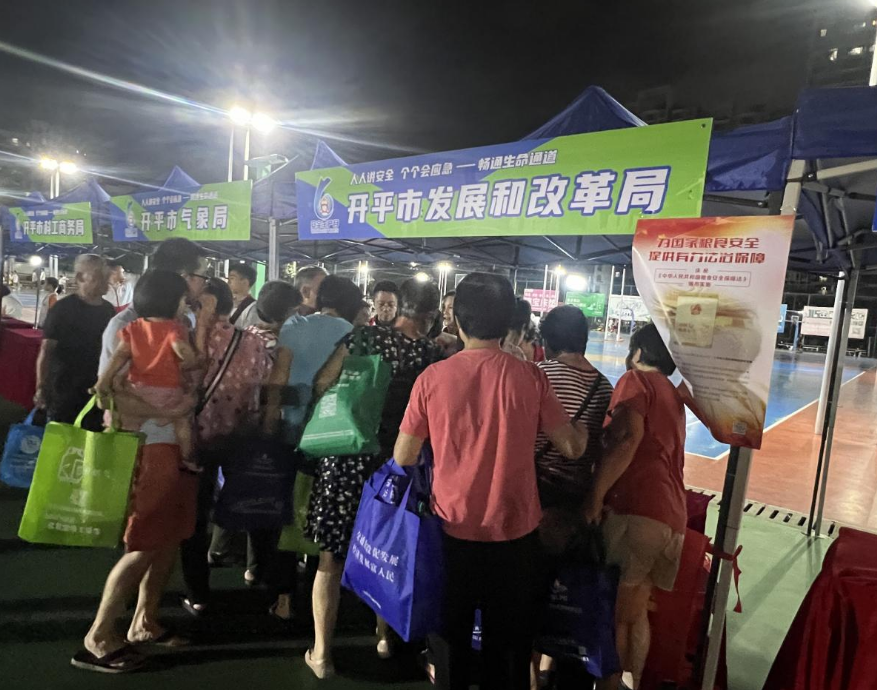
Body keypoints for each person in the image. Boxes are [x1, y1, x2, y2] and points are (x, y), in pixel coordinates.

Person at [394, 273, 588, 690]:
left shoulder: (432, 378)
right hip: (515, 533)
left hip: (452, 531)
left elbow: (403, 457)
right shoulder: (531, 377)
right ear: (507, 323)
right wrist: (586, 431)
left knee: (451, 642)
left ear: (457, 321)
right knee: (510, 648)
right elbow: (572, 446)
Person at [73, 239, 209, 674]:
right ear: (176, 278)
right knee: (144, 540)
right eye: (198, 275)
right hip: (147, 446)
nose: (201, 284)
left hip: (174, 445)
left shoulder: (179, 322)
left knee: (169, 536)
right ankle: (98, 635)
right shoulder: (125, 326)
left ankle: (144, 622)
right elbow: (108, 395)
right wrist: (171, 412)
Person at [302, 278, 444, 678]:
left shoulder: (363, 337)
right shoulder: (430, 354)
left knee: (331, 557)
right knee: (386, 550)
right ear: (431, 315)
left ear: (399, 304)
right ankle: (384, 636)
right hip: (394, 464)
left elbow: (322, 382)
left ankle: (322, 653)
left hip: (347, 456)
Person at [584, 324, 686, 690]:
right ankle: (633, 681)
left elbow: (627, 438)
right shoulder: (672, 394)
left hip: (637, 509)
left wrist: (595, 497)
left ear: (639, 352)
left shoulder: (635, 381)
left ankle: (609, 684)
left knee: (614, 613)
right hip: (670, 516)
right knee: (636, 610)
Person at [179, 279, 277, 614]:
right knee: (253, 506)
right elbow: (263, 384)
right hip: (242, 435)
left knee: (195, 518)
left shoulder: (189, 342)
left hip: (196, 438)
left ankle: (198, 591)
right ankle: (258, 574)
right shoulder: (252, 340)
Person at [95, 271, 200, 468]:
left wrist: (104, 381)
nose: (185, 305)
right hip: (166, 398)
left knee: (129, 431)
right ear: (171, 301)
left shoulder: (132, 327)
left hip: (138, 390)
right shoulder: (174, 329)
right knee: (182, 421)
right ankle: (188, 459)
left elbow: (119, 356)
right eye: (183, 299)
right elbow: (182, 351)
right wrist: (192, 360)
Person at [536, 306, 613, 508]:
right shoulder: (605, 387)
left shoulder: (539, 375)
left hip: (537, 489)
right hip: (578, 494)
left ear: (547, 342)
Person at [278, 275, 363, 443]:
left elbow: (279, 373)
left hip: (289, 416)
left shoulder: (293, 325)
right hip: (326, 422)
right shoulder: (352, 335)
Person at [34, 255, 114, 431]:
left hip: (96, 387)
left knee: (94, 436)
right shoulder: (62, 309)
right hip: (64, 388)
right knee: (63, 435)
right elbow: (46, 350)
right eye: (99, 276)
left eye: (106, 275)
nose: (106, 280)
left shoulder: (109, 310)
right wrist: (41, 386)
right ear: (80, 277)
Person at [226, 262, 258, 328]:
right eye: (228, 278)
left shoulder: (253, 308)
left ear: (245, 282)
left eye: (232, 278)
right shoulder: (227, 303)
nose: (228, 282)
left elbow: (249, 332)